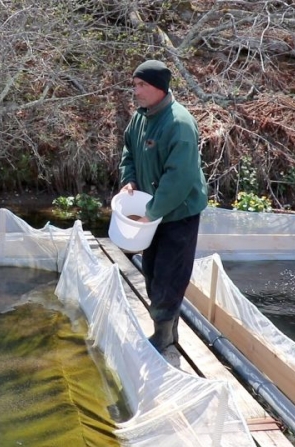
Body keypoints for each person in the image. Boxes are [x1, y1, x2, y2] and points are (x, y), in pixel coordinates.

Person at [118, 59, 208, 351]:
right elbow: (128, 150)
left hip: (178, 214)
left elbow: (178, 180)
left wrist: (151, 213)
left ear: (159, 87)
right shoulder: (141, 117)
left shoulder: (179, 124)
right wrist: (129, 179)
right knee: (153, 271)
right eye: (135, 84)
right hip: (152, 213)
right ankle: (169, 329)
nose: (136, 91)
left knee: (169, 276)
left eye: (141, 85)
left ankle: (163, 335)